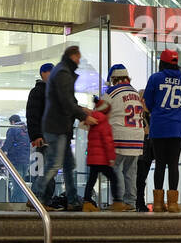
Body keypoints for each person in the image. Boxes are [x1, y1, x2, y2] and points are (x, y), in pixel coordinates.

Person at [35, 45, 91, 212]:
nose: (79, 61)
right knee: (54, 164)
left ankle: (72, 200)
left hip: (61, 127)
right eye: (78, 58)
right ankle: (37, 196)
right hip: (57, 127)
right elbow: (66, 101)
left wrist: (81, 110)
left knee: (68, 165)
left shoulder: (63, 71)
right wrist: (84, 115)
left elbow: (68, 100)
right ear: (73, 56)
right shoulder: (63, 73)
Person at [144, 49, 181, 213]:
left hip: (158, 126)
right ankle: (172, 204)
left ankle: (157, 204)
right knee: (173, 164)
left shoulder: (155, 78)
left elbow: (148, 102)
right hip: (177, 127)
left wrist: (158, 111)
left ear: (162, 62)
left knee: (159, 164)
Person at [101, 65, 145, 212]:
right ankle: (130, 202)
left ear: (113, 79)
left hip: (119, 136)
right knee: (131, 172)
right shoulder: (135, 93)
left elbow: (100, 113)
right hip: (137, 137)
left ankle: (118, 201)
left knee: (116, 169)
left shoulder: (112, 92)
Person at [83, 96, 117, 212]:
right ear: (106, 112)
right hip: (102, 159)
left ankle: (87, 201)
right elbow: (108, 143)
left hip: (93, 159)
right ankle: (117, 201)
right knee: (113, 178)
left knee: (91, 179)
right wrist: (111, 159)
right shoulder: (104, 123)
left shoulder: (93, 121)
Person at [26, 63, 53, 201]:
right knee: (43, 170)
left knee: (48, 171)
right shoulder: (38, 92)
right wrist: (36, 135)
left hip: (51, 138)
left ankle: (45, 200)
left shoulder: (52, 92)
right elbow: (32, 116)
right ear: (44, 73)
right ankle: (38, 199)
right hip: (43, 139)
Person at [1, 114, 33, 203]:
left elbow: (8, 143)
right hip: (26, 160)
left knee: (17, 184)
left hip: (15, 160)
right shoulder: (27, 130)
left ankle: (18, 203)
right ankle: (21, 202)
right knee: (21, 183)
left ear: (12, 122)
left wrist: (2, 151)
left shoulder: (13, 129)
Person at [134, 106, 154, 213]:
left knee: (142, 180)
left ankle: (139, 202)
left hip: (147, 152)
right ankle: (139, 203)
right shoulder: (140, 117)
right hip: (142, 151)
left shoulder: (149, 116)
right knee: (140, 180)